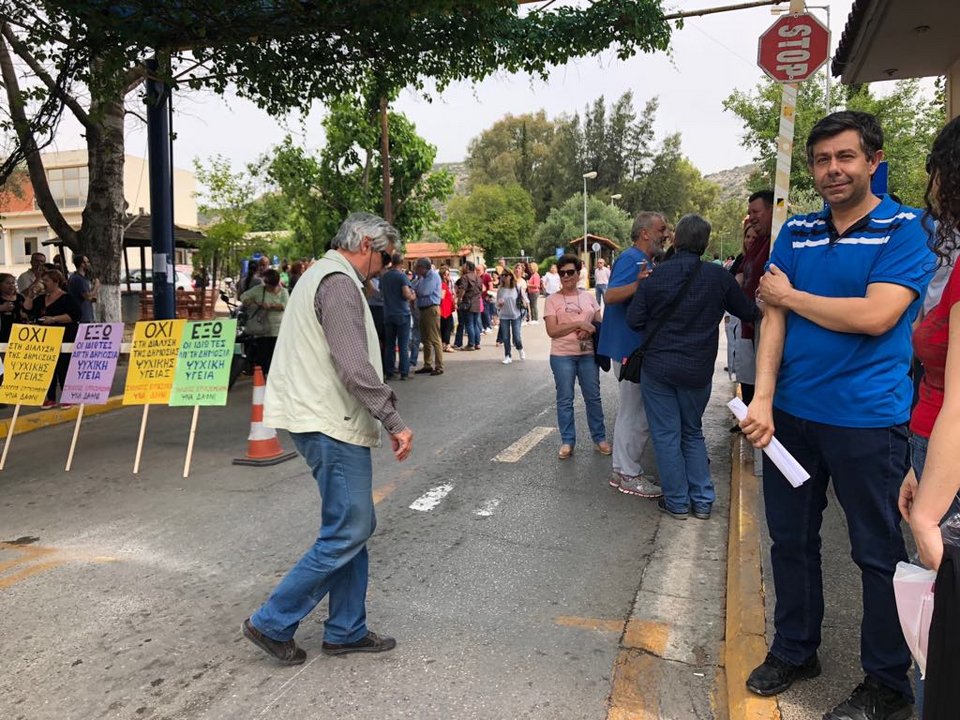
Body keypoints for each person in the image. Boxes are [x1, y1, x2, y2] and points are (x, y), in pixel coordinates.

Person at [740, 111, 934, 720]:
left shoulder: (907, 228)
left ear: (873, 160)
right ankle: (796, 649)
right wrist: (763, 398)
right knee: (789, 541)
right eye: (822, 160)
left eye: (845, 158)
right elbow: (772, 320)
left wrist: (791, 296)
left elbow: (877, 315)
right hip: (790, 419)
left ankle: (886, 684)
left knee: (875, 552)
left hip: (868, 423)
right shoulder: (794, 232)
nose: (832, 171)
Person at [243, 212, 412, 665]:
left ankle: (346, 628)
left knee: (350, 527)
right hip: (329, 420)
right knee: (351, 527)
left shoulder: (327, 276)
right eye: (386, 256)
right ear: (364, 244)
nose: (386, 265)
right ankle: (273, 620)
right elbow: (354, 367)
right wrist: (393, 419)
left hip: (323, 419)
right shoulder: (337, 282)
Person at [627, 214, 758, 519]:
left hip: (658, 368)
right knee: (692, 432)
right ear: (706, 243)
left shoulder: (654, 277)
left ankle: (676, 501)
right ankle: (702, 500)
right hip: (697, 370)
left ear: (675, 240)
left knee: (666, 435)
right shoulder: (719, 277)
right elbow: (748, 311)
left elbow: (634, 320)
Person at [897, 116, 960, 718]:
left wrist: (929, 515)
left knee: (941, 642)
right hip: (932, 449)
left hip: (948, 469)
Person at [598, 212, 666, 499]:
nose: (666, 233)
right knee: (635, 414)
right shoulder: (632, 258)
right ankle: (628, 473)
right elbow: (610, 296)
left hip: (632, 349)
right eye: (661, 229)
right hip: (630, 350)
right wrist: (639, 285)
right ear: (646, 233)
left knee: (632, 411)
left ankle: (623, 469)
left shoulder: (642, 260)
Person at [543, 254, 610, 460]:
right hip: (562, 356)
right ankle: (567, 441)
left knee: (593, 397)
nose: (566, 276)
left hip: (588, 354)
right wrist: (579, 324)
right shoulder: (552, 300)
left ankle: (599, 438)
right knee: (565, 400)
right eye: (562, 273)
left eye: (570, 272)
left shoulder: (589, 298)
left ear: (578, 273)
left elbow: (600, 325)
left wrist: (591, 330)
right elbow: (552, 330)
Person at [22, 270, 81, 407]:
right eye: (43, 281)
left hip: (64, 336)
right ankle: (50, 397)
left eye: (46, 281)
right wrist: (30, 296)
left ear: (56, 282)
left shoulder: (67, 298)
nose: (44, 284)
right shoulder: (41, 299)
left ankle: (68, 397)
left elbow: (75, 315)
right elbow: (27, 310)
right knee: (48, 368)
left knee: (63, 367)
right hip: (45, 337)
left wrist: (54, 319)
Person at [737, 190, 774, 409]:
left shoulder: (777, 241)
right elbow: (741, 275)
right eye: (749, 212)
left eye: (756, 211)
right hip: (749, 323)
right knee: (751, 378)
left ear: (772, 210)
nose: (751, 217)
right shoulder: (757, 243)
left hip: (767, 320)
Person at [239, 268, 288, 376]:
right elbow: (243, 297)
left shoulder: (284, 291)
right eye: (269, 285)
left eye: (273, 285)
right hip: (262, 330)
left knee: (277, 356)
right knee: (264, 356)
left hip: (279, 330)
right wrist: (256, 303)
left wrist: (271, 305)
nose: (270, 287)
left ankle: (275, 376)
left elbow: (286, 305)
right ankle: (265, 375)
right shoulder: (259, 290)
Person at [380, 253, 415, 380]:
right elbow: (406, 294)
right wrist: (413, 296)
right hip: (402, 313)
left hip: (388, 313)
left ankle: (389, 371)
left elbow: (381, 292)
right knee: (403, 345)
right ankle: (404, 372)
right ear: (401, 263)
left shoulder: (384, 277)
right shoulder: (402, 277)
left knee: (389, 344)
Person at [413, 258, 444, 376]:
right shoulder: (422, 278)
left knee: (435, 338)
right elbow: (413, 286)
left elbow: (424, 291)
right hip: (423, 309)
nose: (416, 270)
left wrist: (416, 290)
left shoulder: (433, 277)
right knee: (426, 339)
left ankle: (439, 366)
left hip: (431, 309)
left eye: (417, 267)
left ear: (423, 267)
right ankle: (427, 364)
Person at [496, 270, 524, 364]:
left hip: (516, 315)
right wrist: (499, 304)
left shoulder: (517, 287)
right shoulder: (500, 289)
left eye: (505, 275)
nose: (503, 277)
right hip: (504, 315)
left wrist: (527, 312)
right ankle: (508, 355)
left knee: (517, 337)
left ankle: (520, 349)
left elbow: (525, 300)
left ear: (511, 276)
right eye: (502, 275)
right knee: (505, 337)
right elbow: (497, 304)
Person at [454, 262, 482, 351]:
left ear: (467, 267)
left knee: (469, 324)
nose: (462, 267)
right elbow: (482, 289)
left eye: (464, 266)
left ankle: (471, 344)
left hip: (468, 303)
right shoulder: (478, 277)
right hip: (477, 302)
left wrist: (459, 300)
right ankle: (477, 343)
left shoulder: (465, 277)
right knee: (475, 324)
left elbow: (463, 289)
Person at [68, 254, 99, 323]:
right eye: (87, 262)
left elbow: (86, 295)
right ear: (82, 264)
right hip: (82, 317)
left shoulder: (82, 278)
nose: (89, 264)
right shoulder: (78, 279)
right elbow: (87, 296)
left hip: (85, 315)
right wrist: (96, 286)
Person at [0, 272, 24, 343]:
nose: (11, 286)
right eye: (8, 283)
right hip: (3, 336)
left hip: (20, 334)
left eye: (13, 283)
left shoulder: (20, 298)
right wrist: (1, 308)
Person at [439, 268, 455, 352]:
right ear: (443, 276)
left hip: (445, 309)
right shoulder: (443, 285)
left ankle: (444, 344)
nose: (449, 276)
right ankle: (447, 345)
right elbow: (441, 297)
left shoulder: (444, 284)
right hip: (445, 310)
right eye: (448, 274)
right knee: (447, 328)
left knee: (444, 328)